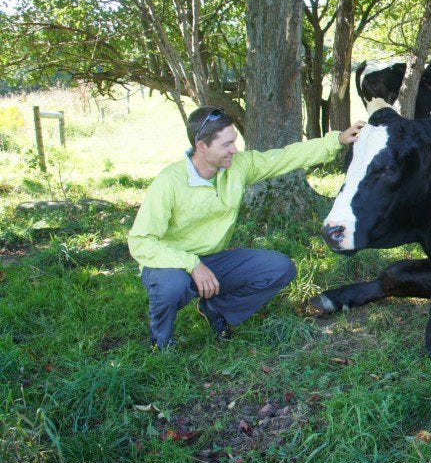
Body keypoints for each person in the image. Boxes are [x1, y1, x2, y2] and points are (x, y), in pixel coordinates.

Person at [127, 106, 364, 349]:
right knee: (172, 287)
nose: (234, 150)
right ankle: (161, 342)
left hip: (213, 259)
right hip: (170, 263)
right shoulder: (169, 182)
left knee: (279, 268)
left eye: (234, 142)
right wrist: (192, 264)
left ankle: (216, 309)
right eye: (226, 144)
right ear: (201, 146)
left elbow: (285, 157)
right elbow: (141, 241)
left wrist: (336, 140)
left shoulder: (238, 165)